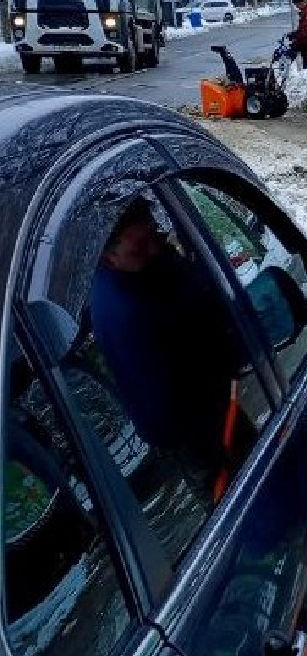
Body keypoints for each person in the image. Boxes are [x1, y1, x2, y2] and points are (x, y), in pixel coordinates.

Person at [89, 200, 244, 475]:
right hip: (203, 436)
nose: (155, 248)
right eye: (139, 247)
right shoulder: (132, 310)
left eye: (155, 235)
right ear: (108, 256)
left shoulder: (130, 280)